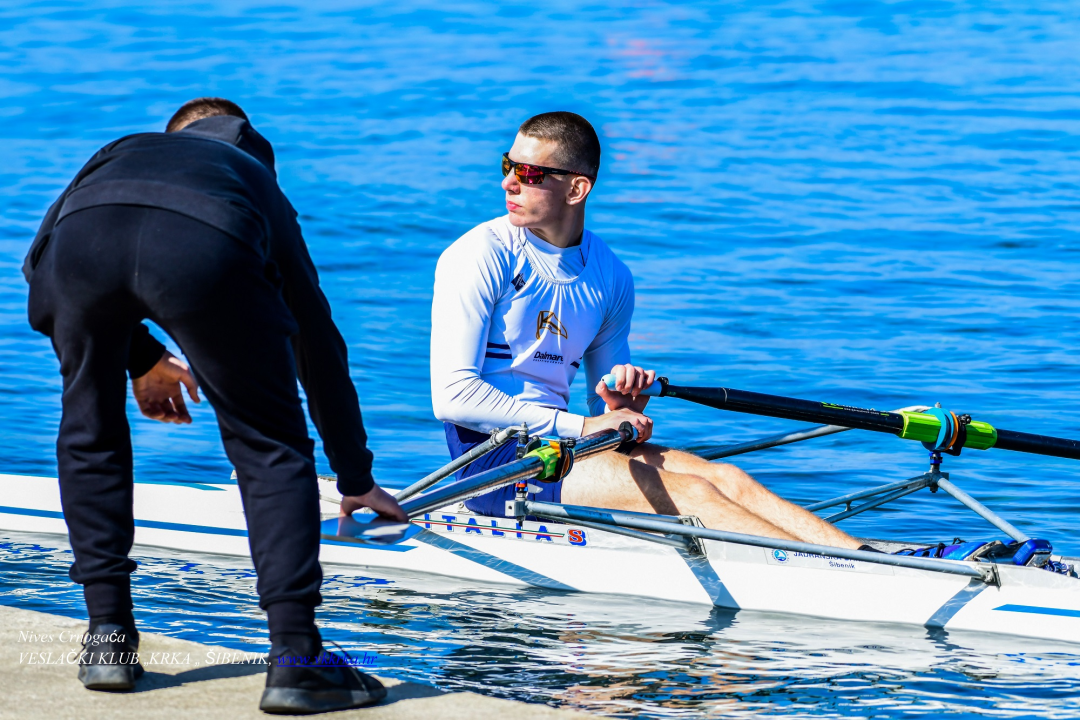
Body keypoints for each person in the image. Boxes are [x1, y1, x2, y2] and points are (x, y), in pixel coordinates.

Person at [25, 97, 406, 714]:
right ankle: (297, 661)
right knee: (268, 445)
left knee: (88, 427)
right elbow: (317, 344)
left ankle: (108, 638)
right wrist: (355, 476)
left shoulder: (118, 152)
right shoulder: (252, 177)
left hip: (82, 244)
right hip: (203, 247)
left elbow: (35, 266)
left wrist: (140, 355)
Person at [430, 111, 863, 552]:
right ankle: (843, 574)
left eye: (530, 173)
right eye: (509, 165)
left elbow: (605, 403)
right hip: (494, 463)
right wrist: (585, 425)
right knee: (693, 495)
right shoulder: (478, 255)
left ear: (577, 188)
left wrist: (621, 404)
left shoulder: (610, 275)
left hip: (565, 446)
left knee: (725, 479)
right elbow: (453, 396)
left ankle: (866, 557)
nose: (509, 183)